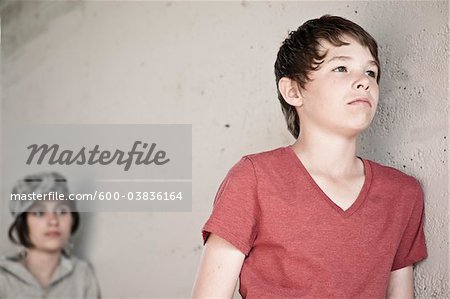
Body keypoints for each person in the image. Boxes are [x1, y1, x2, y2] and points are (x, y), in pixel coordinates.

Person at [192, 15, 427, 298]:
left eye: (371, 72)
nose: (363, 82)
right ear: (293, 91)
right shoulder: (254, 178)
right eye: (341, 67)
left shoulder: (403, 193)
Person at [0, 172, 101, 298]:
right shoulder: (4, 277)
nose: (53, 221)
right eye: (39, 213)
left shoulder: (82, 275)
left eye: (61, 211)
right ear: (23, 222)